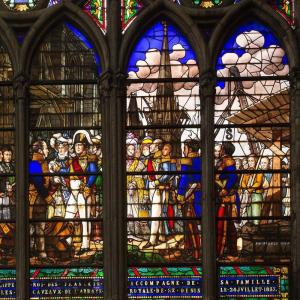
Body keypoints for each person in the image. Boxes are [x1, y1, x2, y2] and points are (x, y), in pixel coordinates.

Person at [65, 130, 97, 255]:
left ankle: (85, 245)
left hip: (83, 192)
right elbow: (68, 172)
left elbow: (93, 173)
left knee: (85, 219)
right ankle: (67, 242)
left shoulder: (90, 159)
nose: (77, 147)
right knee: (68, 217)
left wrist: (88, 187)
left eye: (80, 145)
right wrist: (59, 169)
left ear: (85, 146)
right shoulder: (74, 160)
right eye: (76, 145)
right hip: (73, 193)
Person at [29, 140, 53, 263]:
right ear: (39, 151)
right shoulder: (34, 163)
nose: (47, 150)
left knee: (38, 227)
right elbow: (38, 183)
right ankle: (39, 254)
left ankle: (37, 254)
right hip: (36, 199)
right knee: (37, 226)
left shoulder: (42, 162)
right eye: (45, 148)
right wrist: (47, 196)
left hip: (39, 199)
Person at [177, 139, 201, 260]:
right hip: (201, 197)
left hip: (190, 197)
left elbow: (184, 179)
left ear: (190, 149)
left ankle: (194, 253)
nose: (183, 150)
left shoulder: (188, 161)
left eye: (184, 148)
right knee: (195, 225)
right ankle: (190, 251)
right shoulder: (202, 160)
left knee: (190, 226)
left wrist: (181, 195)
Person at [215, 142, 239, 258]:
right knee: (225, 224)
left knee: (225, 224)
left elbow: (233, 177)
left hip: (225, 198)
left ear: (224, 149)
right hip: (220, 197)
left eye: (220, 148)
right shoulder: (223, 160)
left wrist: (226, 189)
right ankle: (228, 250)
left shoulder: (228, 160)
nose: (219, 150)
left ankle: (229, 250)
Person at [126, 133, 145, 235]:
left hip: (136, 191)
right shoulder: (122, 163)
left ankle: (136, 232)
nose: (131, 151)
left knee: (135, 210)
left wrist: (135, 183)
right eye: (129, 149)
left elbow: (143, 177)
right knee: (127, 209)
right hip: (125, 191)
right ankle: (128, 231)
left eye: (133, 149)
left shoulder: (140, 163)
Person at [241, 154, 263, 225]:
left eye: (252, 161)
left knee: (255, 216)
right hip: (248, 196)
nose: (250, 162)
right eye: (249, 161)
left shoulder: (259, 171)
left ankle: (256, 231)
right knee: (249, 216)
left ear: (256, 161)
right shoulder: (246, 171)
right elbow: (242, 182)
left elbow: (258, 183)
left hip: (256, 195)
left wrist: (250, 189)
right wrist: (246, 189)